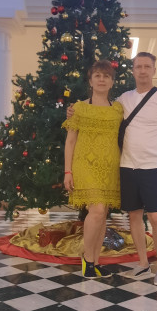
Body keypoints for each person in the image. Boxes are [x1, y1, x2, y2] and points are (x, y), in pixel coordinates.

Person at [68, 52, 157, 286]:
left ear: (154, 70)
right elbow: (83, 124)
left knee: (156, 217)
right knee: (131, 216)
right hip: (125, 165)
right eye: (138, 66)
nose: (142, 70)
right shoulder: (123, 100)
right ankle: (139, 263)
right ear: (133, 71)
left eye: (147, 66)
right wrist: (72, 111)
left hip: (151, 166)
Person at [63, 60, 123, 279]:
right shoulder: (79, 108)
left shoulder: (118, 109)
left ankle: (96, 262)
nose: (101, 79)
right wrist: (67, 171)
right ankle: (87, 260)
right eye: (97, 75)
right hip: (85, 165)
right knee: (96, 211)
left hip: (110, 166)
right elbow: (70, 141)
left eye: (106, 76)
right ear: (90, 81)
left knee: (102, 214)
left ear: (112, 82)